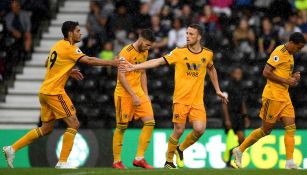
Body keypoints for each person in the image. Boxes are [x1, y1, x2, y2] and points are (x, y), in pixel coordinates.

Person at [2, 21, 119, 169]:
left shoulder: (57, 45)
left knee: (46, 128)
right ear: (70, 33)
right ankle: (63, 162)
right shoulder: (70, 48)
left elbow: (47, 63)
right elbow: (89, 60)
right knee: (74, 123)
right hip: (54, 92)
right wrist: (112, 63)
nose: (80, 33)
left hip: (44, 91)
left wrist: (68, 70)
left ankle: (12, 149)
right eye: (77, 30)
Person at [120, 24, 228, 169]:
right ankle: (169, 161)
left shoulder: (208, 54)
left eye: (191, 34)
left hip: (197, 100)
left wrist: (218, 90)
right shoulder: (178, 52)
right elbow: (157, 61)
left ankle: (180, 149)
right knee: (179, 130)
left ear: (199, 37)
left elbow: (211, 69)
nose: (188, 36)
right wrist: (134, 67)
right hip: (181, 99)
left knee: (200, 129)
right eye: (187, 33)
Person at [233, 32, 306, 169]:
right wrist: (287, 80)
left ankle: (289, 162)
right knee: (265, 130)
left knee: (291, 128)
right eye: (298, 47)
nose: (299, 50)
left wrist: (293, 77)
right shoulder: (279, 52)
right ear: (291, 43)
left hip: (284, 96)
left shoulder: (290, 55)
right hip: (272, 96)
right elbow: (266, 72)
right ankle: (240, 150)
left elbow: (282, 73)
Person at [112, 29, 156, 169]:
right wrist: (133, 95)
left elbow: (142, 72)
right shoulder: (126, 52)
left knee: (150, 122)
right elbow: (121, 76)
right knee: (122, 127)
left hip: (138, 92)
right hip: (124, 94)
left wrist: (146, 94)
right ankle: (117, 161)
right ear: (142, 40)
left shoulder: (144, 51)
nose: (148, 48)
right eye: (147, 45)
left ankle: (139, 158)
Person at [222, 67, 250, 167]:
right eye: (237, 73)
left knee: (242, 139)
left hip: (239, 116)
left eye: (240, 73)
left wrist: (245, 116)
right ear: (232, 74)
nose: (239, 75)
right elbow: (224, 103)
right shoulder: (227, 86)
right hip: (230, 115)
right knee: (231, 140)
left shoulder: (241, 86)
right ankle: (228, 161)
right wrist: (227, 119)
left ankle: (234, 157)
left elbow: (242, 102)